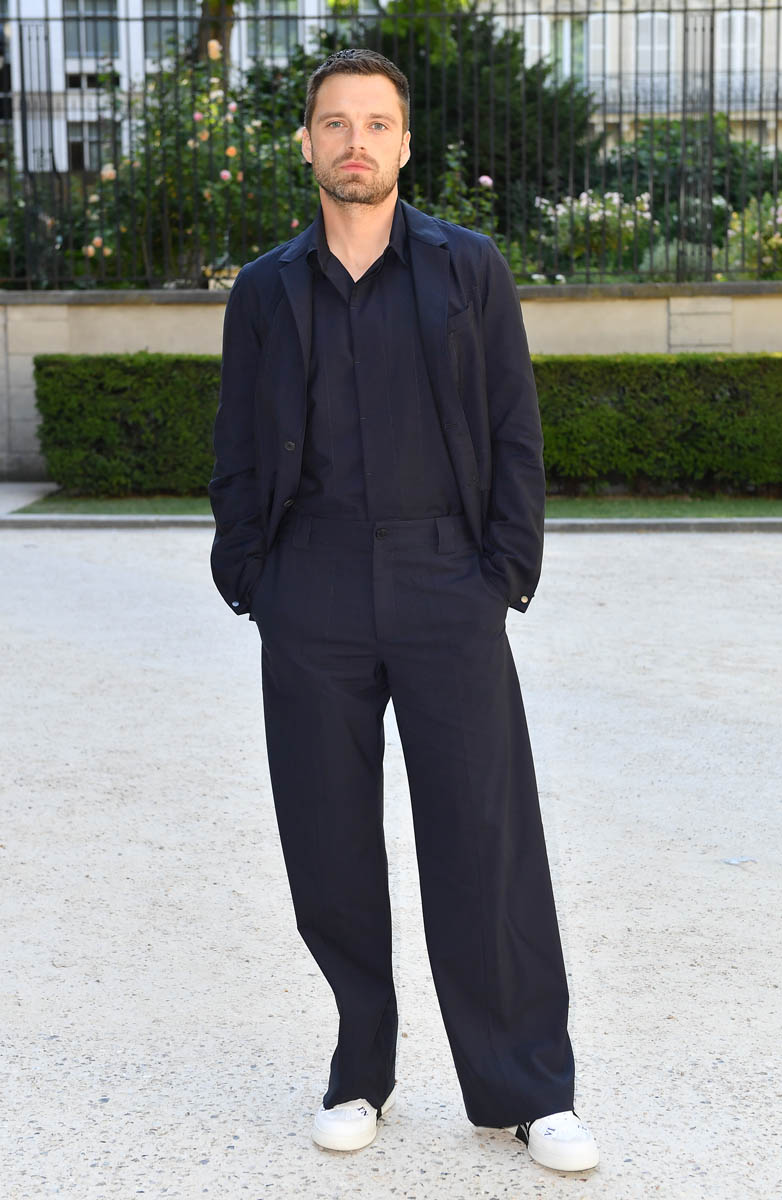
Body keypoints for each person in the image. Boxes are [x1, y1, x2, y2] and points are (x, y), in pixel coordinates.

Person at [208, 47, 598, 1173]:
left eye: (376, 123)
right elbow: (237, 447)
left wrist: (502, 574)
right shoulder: (266, 288)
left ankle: (526, 1088)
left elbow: (514, 429)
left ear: (406, 143)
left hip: (445, 581)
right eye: (335, 123)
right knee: (327, 838)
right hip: (311, 586)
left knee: (483, 838)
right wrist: (254, 578)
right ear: (307, 144)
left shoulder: (467, 267)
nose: (355, 142)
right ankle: (358, 1072)